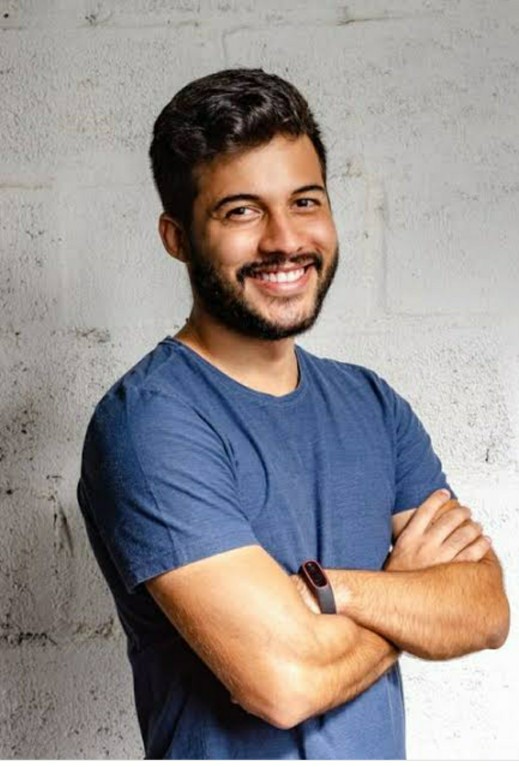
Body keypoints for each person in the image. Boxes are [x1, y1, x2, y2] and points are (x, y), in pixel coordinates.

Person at [77, 69, 510, 760]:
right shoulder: (148, 422)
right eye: (241, 211)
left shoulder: (372, 404)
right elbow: (283, 683)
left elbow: (484, 609)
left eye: (304, 201)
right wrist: (406, 589)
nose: (284, 240)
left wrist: (330, 592)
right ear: (176, 236)